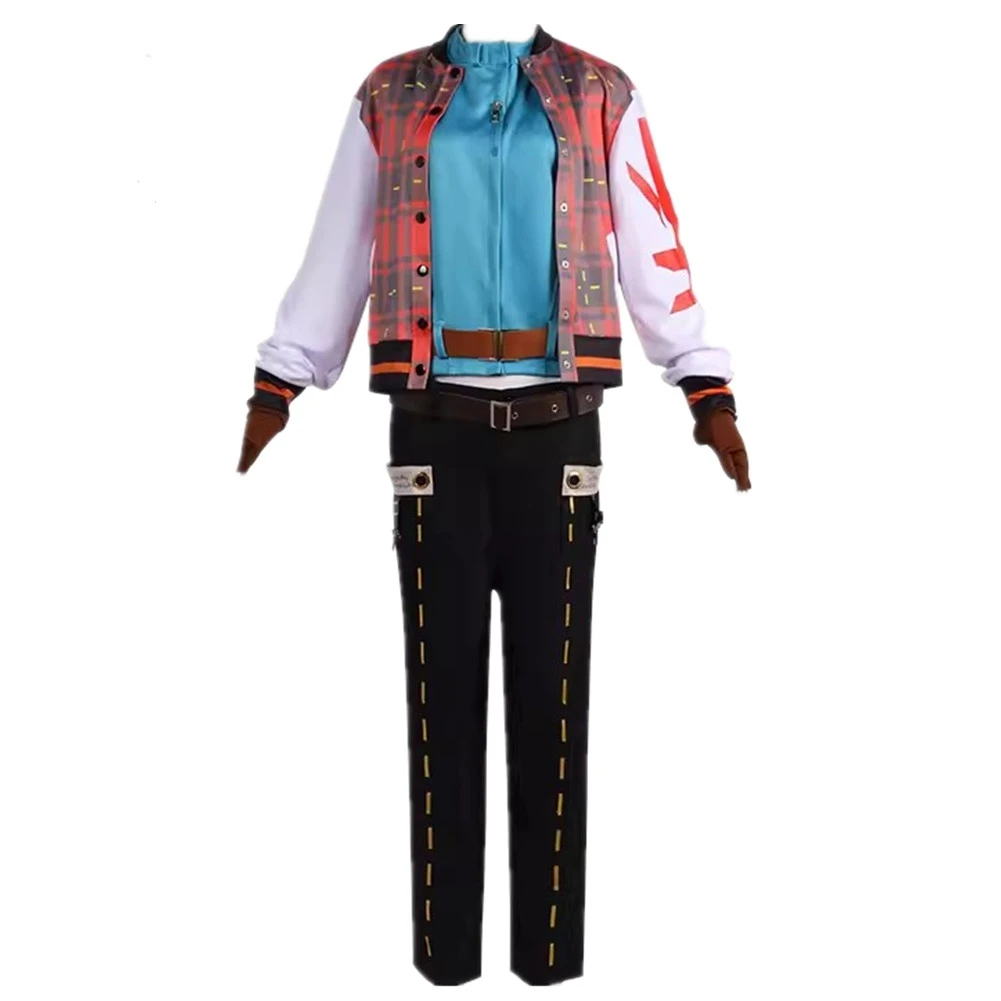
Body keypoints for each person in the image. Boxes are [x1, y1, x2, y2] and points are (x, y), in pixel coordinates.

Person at [236, 22, 751, 986]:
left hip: (560, 435)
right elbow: (340, 245)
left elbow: (652, 246)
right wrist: (282, 379)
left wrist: (703, 384)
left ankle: (546, 960)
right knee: (440, 698)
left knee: (554, 701)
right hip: (433, 429)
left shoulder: (601, 91)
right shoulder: (389, 94)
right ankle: (446, 961)